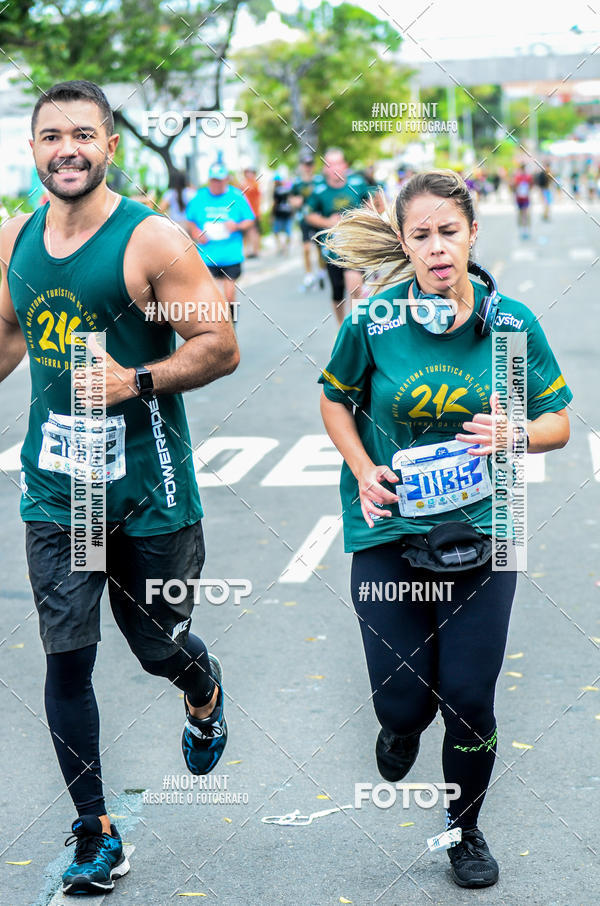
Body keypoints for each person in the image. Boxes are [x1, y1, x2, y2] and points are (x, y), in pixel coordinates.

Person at [0, 80, 240, 896]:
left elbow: (219, 341)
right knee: (67, 661)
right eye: (51, 136)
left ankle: (200, 688)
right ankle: (95, 831)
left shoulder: (153, 240)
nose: (67, 148)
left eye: (84, 135)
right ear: (32, 150)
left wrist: (136, 380)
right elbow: (8, 333)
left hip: (149, 495)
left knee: (155, 648)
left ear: (109, 146)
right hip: (57, 492)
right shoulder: (14, 240)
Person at [318, 169, 572, 889]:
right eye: (421, 235)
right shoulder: (373, 322)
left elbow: (557, 422)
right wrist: (365, 467)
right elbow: (335, 402)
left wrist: (514, 434)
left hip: (488, 529)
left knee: (468, 697)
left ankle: (464, 830)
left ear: (472, 235)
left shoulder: (511, 325)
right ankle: (399, 725)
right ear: (403, 243)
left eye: (448, 232)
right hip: (390, 531)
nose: (436, 248)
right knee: (405, 701)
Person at [305, 148, 375, 326]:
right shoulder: (319, 191)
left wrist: (364, 215)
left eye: (338, 163)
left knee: (355, 286)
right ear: (325, 168)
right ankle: (341, 326)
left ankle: (356, 328)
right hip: (332, 247)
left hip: (355, 243)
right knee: (337, 291)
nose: (334, 168)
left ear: (344, 165)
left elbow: (375, 204)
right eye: (330, 164)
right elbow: (309, 215)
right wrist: (327, 221)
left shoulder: (357, 184)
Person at [185, 159, 255, 324]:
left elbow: (250, 220)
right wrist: (196, 232)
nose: (216, 184)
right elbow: (190, 220)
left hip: (230, 254)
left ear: (226, 180)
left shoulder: (236, 196)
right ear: (209, 180)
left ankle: (232, 327)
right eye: (213, 180)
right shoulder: (199, 197)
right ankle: (216, 331)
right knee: (212, 298)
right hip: (207, 256)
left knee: (229, 294)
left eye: (220, 180)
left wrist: (236, 226)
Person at [290, 152, 325, 291]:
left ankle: (322, 272)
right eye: (305, 165)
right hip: (304, 218)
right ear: (301, 166)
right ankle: (309, 274)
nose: (308, 167)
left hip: (318, 218)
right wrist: (295, 202)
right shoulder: (297, 183)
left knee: (320, 247)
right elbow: (291, 199)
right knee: (305, 248)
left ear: (314, 166)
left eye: (310, 164)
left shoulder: (319, 181)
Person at [240, 165, 261, 258]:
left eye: (250, 172)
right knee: (246, 233)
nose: (248, 174)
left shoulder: (254, 183)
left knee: (254, 232)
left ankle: (255, 251)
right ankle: (247, 251)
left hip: (254, 212)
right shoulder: (245, 183)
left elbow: (250, 190)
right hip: (245, 213)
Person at [271, 172, 294, 254]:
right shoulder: (287, 189)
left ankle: (281, 246)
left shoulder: (276, 190)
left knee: (276, 231)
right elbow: (291, 201)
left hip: (278, 213)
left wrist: (272, 214)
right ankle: (286, 247)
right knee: (288, 232)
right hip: (288, 213)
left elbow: (274, 203)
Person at [512, 163, 533, 239]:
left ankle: (526, 230)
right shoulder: (517, 177)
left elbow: (531, 186)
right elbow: (514, 186)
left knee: (526, 213)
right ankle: (521, 230)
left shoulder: (528, 177)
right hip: (519, 198)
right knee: (521, 214)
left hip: (525, 198)